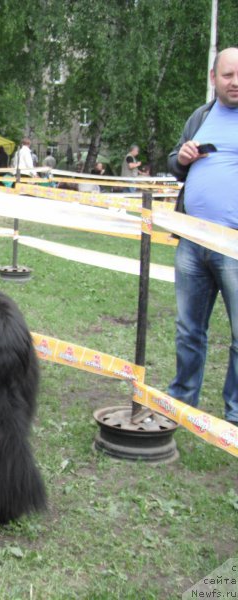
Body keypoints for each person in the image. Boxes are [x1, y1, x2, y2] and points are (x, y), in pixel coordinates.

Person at [167, 47, 238, 427]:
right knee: (188, 330)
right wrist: (182, 158)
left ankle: (235, 415)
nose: (236, 82)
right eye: (228, 75)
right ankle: (181, 401)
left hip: (235, 247)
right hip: (193, 242)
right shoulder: (201, 116)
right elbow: (173, 163)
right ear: (214, 78)